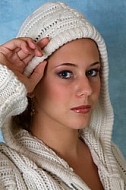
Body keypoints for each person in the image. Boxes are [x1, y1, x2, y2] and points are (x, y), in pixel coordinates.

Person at [0, 2, 125, 190]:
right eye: (65, 73)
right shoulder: (8, 169)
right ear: (30, 83)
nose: (87, 89)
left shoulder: (111, 156)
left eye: (92, 72)